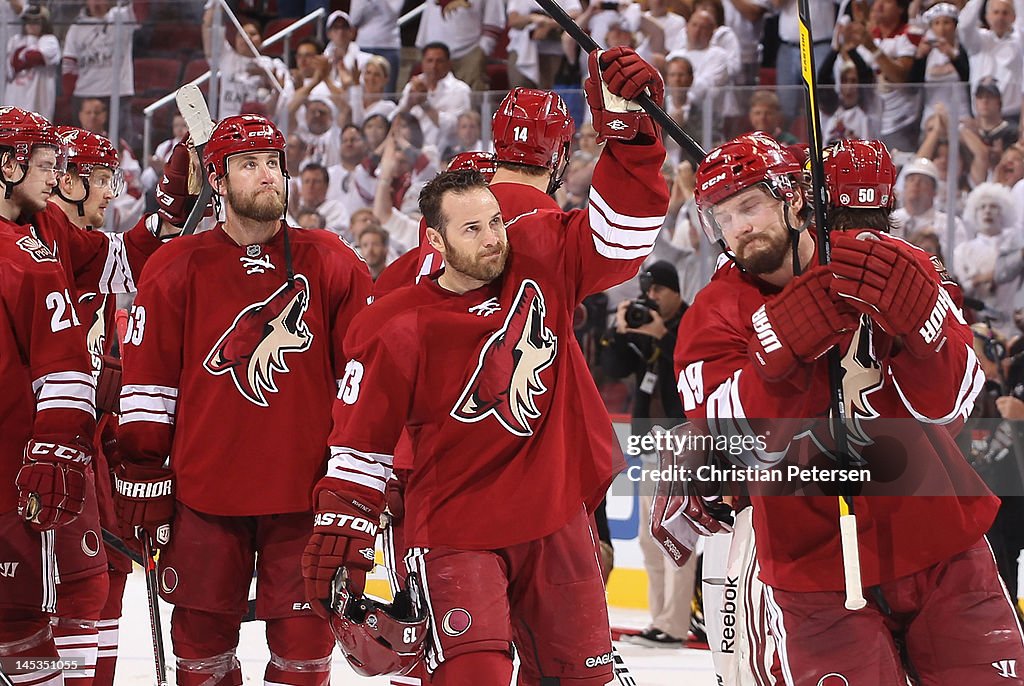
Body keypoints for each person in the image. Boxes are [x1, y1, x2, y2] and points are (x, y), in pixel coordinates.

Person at [302, 49, 669, 683]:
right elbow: (361, 431)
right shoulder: (403, 319)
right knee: (474, 672)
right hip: (455, 516)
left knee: (581, 673)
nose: (496, 235)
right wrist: (342, 525)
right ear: (437, 236)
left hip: (541, 509)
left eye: (496, 219)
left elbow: (621, 241)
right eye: (473, 225)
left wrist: (631, 134)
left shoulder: (538, 249)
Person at [670, 133, 1024, 684]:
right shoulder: (714, 315)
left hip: (940, 545)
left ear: (794, 199)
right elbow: (725, 446)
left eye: (749, 206)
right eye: (722, 217)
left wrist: (923, 339)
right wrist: (775, 354)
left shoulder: (886, 264)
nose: (738, 228)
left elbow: (955, 403)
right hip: (814, 573)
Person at [113, 114, 373, 686]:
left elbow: (366, 384)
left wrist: (364, 481)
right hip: (204, 493)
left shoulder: (332, 260)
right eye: (249, 164)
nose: (267, 176)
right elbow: (149, 383)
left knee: (305, 655)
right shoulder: (175, 266)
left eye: (273, 163)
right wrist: (143, 466)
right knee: (201, 656)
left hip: (306, 496)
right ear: (219, 181)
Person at [0, 107, 98, 686]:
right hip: (6, 486)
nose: (54, 178)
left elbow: (66, 372)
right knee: (19, 633)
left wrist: (52, 454)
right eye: (42, 164)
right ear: (6, 166)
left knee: (20, 632)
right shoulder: (24, 256)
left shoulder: (37, 245)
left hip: (9, 483)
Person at [600, 261, 694, 648]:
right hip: (648, 440)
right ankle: (660, 621)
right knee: (647, 536)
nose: (651, 298)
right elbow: (612, 368)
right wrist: (620, 333)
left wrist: (662, 337)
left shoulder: (690, 323)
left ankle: (674, 625)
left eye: (658, 291)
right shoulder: (644, 322)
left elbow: (684, 375)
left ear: (675, 291)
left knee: (675, 534)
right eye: (647, 291)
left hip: (685, 440)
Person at [5, 4, 60, 120]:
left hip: (38, 102)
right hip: (15, 98)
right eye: (28, 21)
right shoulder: (15, 40)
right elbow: (11, 67)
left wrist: (21, 56)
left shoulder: (50, 41)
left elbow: (34, 57)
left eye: (36, 21)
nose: (30, 25)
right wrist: (21, 57)